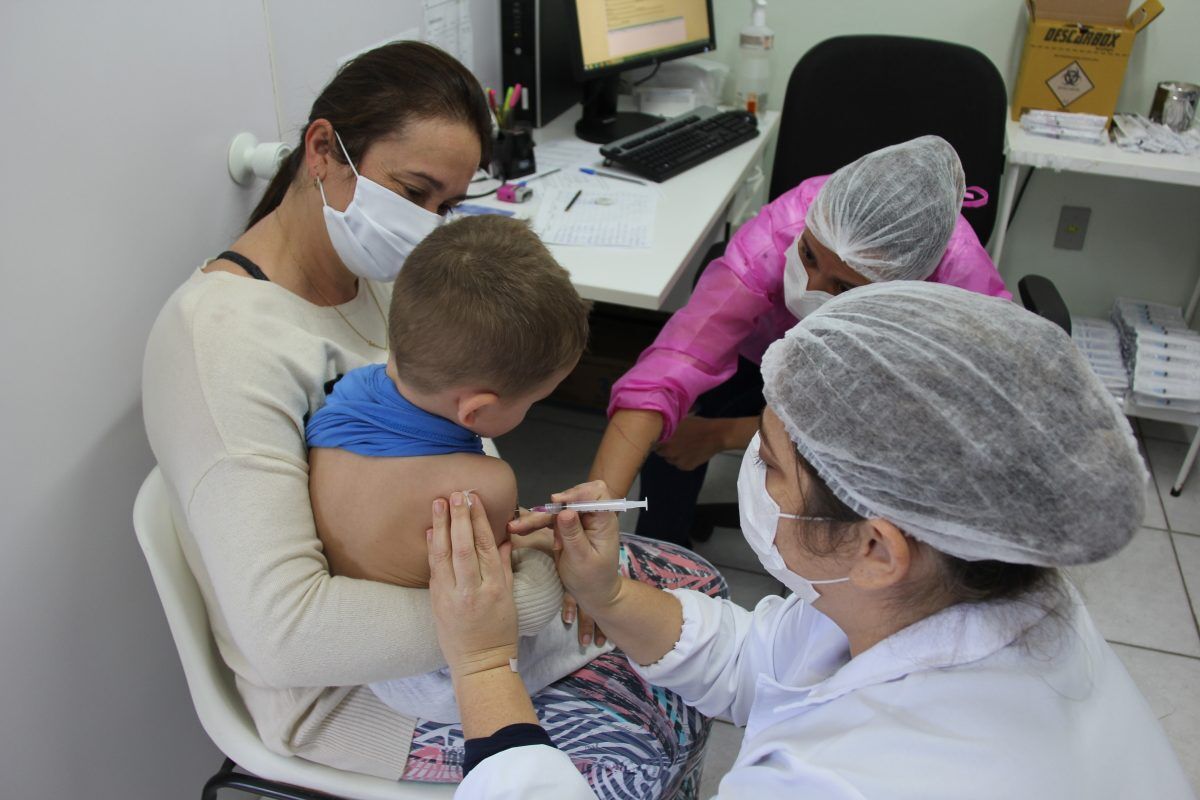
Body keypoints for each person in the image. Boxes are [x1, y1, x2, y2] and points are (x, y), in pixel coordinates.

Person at [142, 41, 723, 796]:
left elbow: (448, 463)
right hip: (345, 692)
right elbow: (285, 635)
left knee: (694, 592)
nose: (426, 227)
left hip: (450, 595)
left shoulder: (381, 280)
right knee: (639, 744)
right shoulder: (217, 342)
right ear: (324, 149)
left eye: (447, 204)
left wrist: (538, 545)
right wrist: (539, 590)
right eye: (413, 192)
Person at [426, 282, 1194, 799]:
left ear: (879, 548)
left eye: (770, 460)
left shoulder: (845, 781)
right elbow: (769, 664)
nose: (752, 474)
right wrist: (608, 592)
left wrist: (484, 664)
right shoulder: (985, 586)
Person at [592, 136, 1011, 547]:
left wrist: (724, 435)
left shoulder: (960, 288)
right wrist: (597, 514)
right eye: (808, 256)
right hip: (759, 355)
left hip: (869, 384)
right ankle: (662, 555)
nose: (809, 288)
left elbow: (918, 425)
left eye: (844, 287)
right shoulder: (787, 227)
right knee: (671, 432)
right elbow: (673, 365)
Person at [305, 214, 605, 722]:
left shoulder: (352, 390)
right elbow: (510, 606)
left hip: (374, 657)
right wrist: (557, 556)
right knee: (610, 632)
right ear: (475, 413)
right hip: (436, 681)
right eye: (536, 400)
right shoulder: (481, 484)